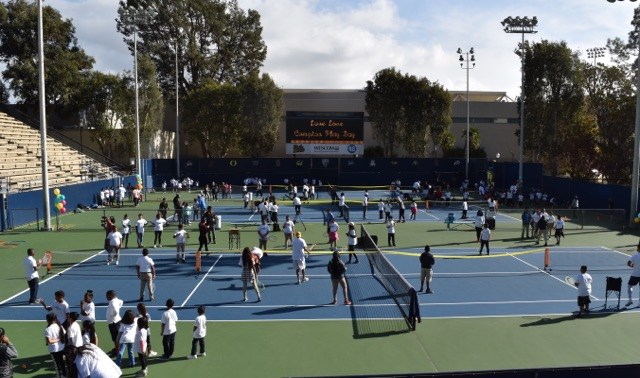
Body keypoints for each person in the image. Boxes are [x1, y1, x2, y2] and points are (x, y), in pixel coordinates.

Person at [44, 312, 67, 378]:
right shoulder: (60, 326)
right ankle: (64, 375)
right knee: (62, 362)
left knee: (57, 364)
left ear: (47, 320)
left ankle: (59, 376)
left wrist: (57, 340)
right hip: (61, 347)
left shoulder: (47, 329)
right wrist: (59, 339)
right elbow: (64, 335)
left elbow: (49, 341)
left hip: (54, 350)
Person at [105, 290, 123, 356]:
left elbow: (115, 312)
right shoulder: (116, 300)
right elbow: (121, 302)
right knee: (116, 337)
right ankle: (117, 348)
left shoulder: (112, 302)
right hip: (116, 321)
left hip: (114, 322)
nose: (106, 297)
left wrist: (112, 315)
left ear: (111, 296)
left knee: (115, 338)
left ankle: (117, 351)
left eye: (107, 296)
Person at [625, 242, 640, 307]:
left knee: (629, 286)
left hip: (635, 275)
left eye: (637, 247)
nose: (637, 248)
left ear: (639, 248)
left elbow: (628, 263)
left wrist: (632, 266)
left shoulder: (635, 256)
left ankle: (630, 300)